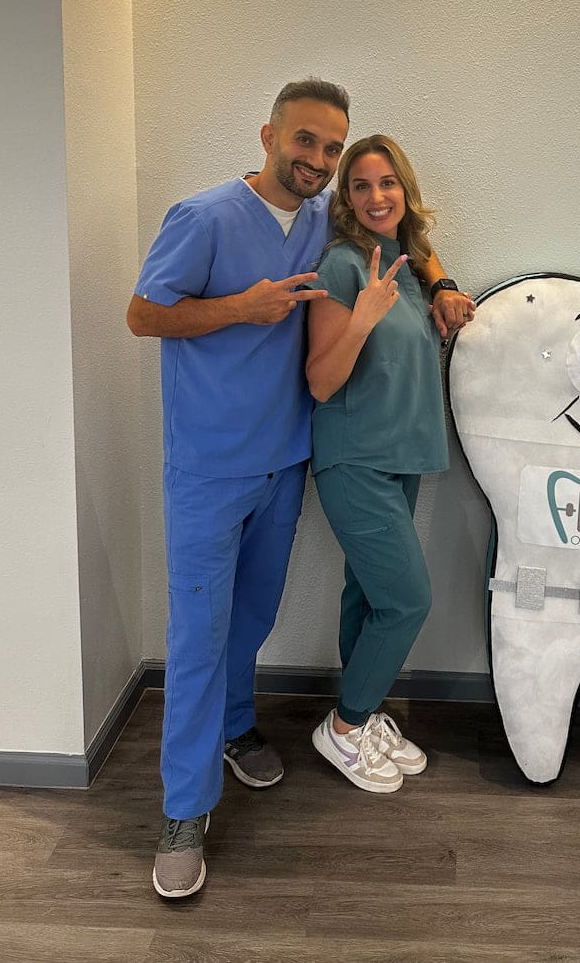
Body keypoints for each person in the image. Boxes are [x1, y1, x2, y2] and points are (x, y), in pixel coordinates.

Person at [127, 84, 472, 898]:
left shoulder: (328, 220)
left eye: (331, 148)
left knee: (252, 615)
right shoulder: (204, 216)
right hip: (210, 466)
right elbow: (143, 314)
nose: (317, 160)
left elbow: (403, 238)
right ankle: (183, 810)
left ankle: (236, 724)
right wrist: (236, 308)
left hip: (285, 460)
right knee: (200, 633)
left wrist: (448, 281)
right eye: (305, 141)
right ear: (269, 134)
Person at [305, 134, 457, 792]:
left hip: (403, 455)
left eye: (387, 182)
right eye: (361, 185)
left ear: (405, 191)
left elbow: (424, 255)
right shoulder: (343, 265)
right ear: (346, 198)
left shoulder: (409, 261)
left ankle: (361, 721)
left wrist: (445, 282)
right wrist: (361, 320)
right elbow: (319, 380)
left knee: (367, 595)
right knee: (407, 600)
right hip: (355, 455)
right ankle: (342, 726)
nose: (376, 196)